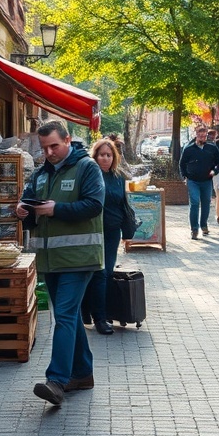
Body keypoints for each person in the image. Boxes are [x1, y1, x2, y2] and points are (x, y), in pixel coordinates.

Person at [16, 121, 105, 405]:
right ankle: (83, 374)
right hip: (50, 260)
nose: (49, 152)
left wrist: (57, 209)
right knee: (70, 317)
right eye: (44, 148)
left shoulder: (87, 168)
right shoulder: (41, 174)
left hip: (79, 258)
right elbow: (32, 213)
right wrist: (23, 212)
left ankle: (56, 380)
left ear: (68, 140)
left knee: (64, 317)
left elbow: (94, 205)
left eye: (54, 145)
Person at [81, 137, 131, 335]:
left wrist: (126, 229)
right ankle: (96, 316)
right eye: (102, 154)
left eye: (109, 155)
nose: (105, 158)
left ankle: (98, 314)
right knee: (93, 272)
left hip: (112, 231)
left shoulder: (118, 177)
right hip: (92, 230)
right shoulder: (89, 175)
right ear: (95, 156)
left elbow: (122, 203)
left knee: (105, 272)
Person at [179, 125, 219, 239]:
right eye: (200, 135)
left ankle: (204, 225)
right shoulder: (189, 149)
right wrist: (185, 176)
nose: (203, 137)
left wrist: (215, 170)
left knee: (206, 203)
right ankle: (194, 229)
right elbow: (182, 163)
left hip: (207, 180)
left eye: (204, 135)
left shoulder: (212, 148)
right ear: (196, 135)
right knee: (194, 202)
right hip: (193, 180)